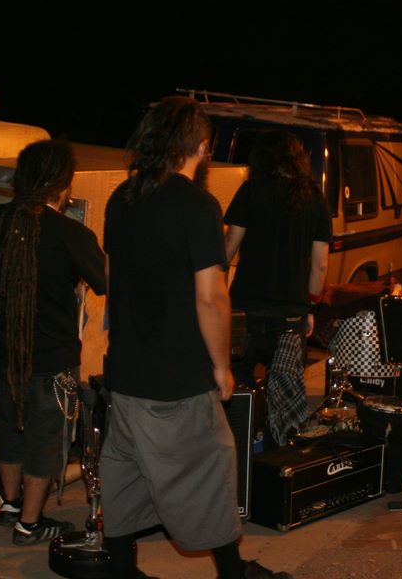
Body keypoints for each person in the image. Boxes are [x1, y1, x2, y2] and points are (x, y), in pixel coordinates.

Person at [101, 96, 290, 579]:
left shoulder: (121, 198)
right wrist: (222, 366)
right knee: (210, 467)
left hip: (124, 371)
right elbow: (211, 298)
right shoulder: (198, 206)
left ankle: (120, 567)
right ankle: (233, 572)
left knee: (125, 471)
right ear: (202, 147)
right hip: (177, 376)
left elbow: (112, 277)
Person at [0, 139, 107, 545]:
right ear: (63, 184)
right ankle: (30, 525)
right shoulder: (71, 233)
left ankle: (11, 505)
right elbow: (105, 282)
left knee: (10, 428)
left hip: (7, 355)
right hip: (52, 361)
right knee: (46, 440)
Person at [224, 130, 331, 447]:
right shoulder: (314, 199)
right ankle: (275, 458)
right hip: (290, 317)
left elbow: (227, 249)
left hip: (245, 312)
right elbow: (320, 265)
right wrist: (310, 306)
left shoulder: (250, 191)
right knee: (283, 396)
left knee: (236, 389)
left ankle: (237, 454)